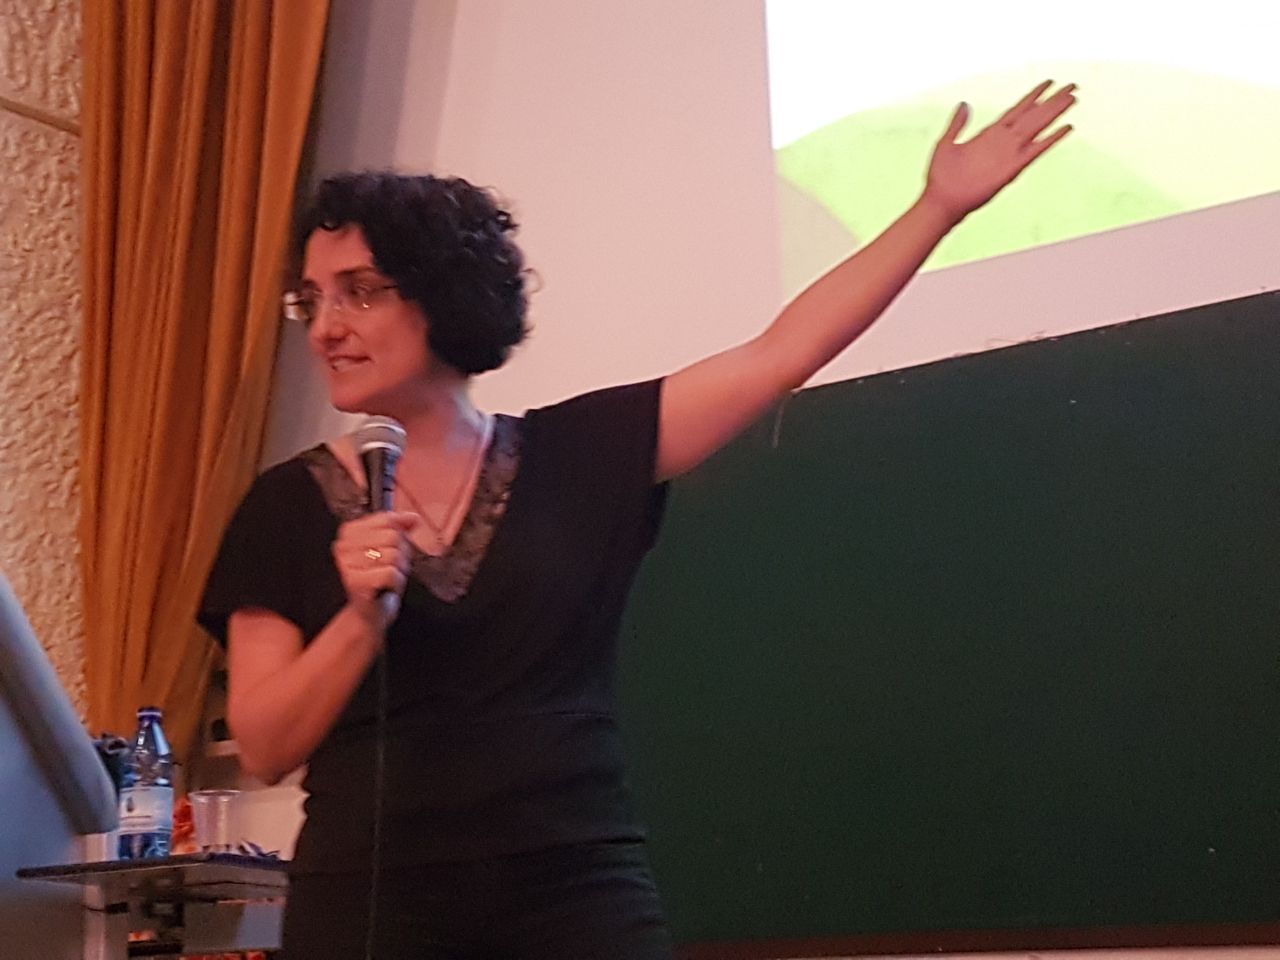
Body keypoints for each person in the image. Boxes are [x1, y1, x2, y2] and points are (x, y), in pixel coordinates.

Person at [198, 81, 1076, 959]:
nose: (326, 328)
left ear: (443, 295)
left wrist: (936, 208)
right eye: (311, 300)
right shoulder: (285, 507)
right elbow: (267, 746)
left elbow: (781, 353)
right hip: (370, 906)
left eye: (359, 292)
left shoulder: (580, 454)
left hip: (574, 892)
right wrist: (359, 621)